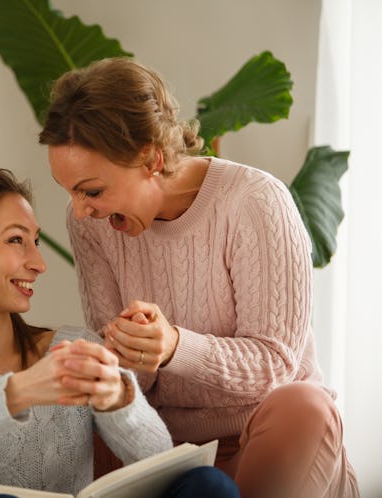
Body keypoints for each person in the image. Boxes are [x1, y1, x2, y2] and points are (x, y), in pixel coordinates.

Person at [38, 56, 359, 498]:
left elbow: (276, 366)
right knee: (81, 418)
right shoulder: (92, 225)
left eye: (92, 191)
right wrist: (120, 353)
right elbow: (128, 380)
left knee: (304, 407)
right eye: (69, 191)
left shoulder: (255, 202)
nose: (79, 210)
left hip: (269, 438)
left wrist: (173, 346)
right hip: (162, 448)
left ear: (150, 159)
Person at [0, 168, 239, 497]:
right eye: (15, 240)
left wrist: (119, 401)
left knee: (207, 485)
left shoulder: (74, 348)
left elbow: (159, 461)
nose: (38, 263)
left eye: (35, 242)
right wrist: (19, 392)